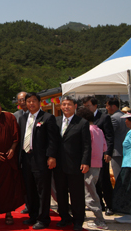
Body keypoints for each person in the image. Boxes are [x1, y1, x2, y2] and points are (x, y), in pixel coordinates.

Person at [18, 92, 59, 230]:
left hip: (41, 160)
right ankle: (33, 215)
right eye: (28, 101)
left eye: (34, 101)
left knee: (43, 191)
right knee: (30, 190)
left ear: (39, 102)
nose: (31, 103)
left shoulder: (47, 118)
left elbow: (53, 140)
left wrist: (51, 156)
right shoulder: (23, 118)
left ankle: (43, 219)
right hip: (26, 159)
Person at [54, 97, 91, 231]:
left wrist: (85, 162)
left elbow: (87, 145)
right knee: (61, 193)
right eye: (63, 104)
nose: (66, 107)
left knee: (77, 194)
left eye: (69, 104)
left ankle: (78, 220)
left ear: (75, 106)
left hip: (75, 165)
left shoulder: (82, 123)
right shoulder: (56, 121)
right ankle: (64, 218)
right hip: (59, 165)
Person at [0, 99, 24, 226]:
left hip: (8, 159)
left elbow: (16, 136)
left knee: (8, 187)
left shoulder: (9, 117)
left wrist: (13, 149)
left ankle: (8, 213)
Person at [75, 107, 108, 230]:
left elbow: (85, 148)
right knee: (90, 191)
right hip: (98, 164)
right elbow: (104, 148)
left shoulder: (87, 130)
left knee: (90, 194)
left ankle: (100, 220)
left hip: (88, 165)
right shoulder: (99, 130)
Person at [82, 96, 115, 216]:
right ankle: (98, 204)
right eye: (84, 106)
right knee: (92, 183)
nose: (86, 108)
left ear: (95, 106)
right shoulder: (84, 119)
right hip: (88, 156)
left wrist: (108, 153)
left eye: (88, 106)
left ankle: (110, 205)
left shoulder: (104, 117)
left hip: (101, 154)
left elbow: (109, 136)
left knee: (104, 180)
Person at [112, 112, 131, 224]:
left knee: (128, 190)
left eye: (127, 119)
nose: (125, 121)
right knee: (125, 190)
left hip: (130, 165)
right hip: (127, 164)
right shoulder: (129, 132)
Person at [107, 98, 130, 180]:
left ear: (113, 106)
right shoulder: (123, 116)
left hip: (117, 151)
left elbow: (110, 134)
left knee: (118, 177)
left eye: (107, 105)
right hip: (124, 151)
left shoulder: (113, 118)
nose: (106, 108)